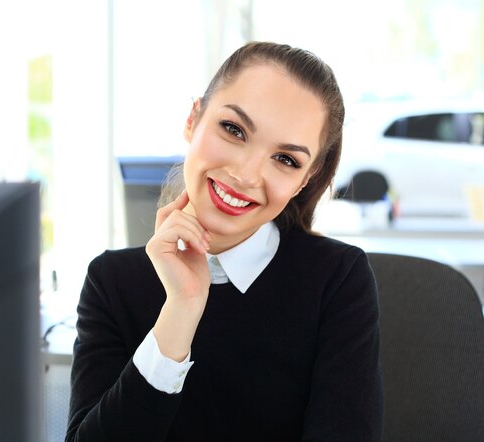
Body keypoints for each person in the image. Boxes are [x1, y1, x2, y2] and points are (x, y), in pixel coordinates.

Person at [66, 41, 383, 441]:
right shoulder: (112, 282)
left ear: (305, 179)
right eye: (234, 130)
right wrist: (181, 310)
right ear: (193, 119)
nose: (247, 175)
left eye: (286, 159)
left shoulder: (336, 280)